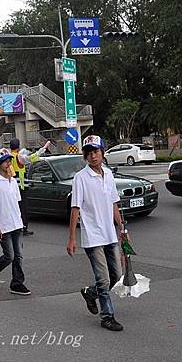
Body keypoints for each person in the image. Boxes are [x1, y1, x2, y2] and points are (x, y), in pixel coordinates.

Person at [67, 135, 128, 331]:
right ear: (85, 156)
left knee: (116, 276)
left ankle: (90, 293)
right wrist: (72, 238)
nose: (93, 156)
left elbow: (113, 204)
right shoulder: (80, 178)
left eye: (96, 152)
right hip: (92, 236)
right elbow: (75, 209)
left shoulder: (108, 175)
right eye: (89, 153)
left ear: (102, 153)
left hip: (109, 233)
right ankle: (107, 316)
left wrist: (122, 229)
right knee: (103, 279)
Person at [0, 148, 31, 296]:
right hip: (4, 226)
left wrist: (21, 221)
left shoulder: (13, 181)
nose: (8, 163)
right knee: (9, 256)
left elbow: (17, 202)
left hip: (16, 224)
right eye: (4, 161)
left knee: (19, 256)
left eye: (9, 160)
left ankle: (17, 283)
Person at [8, 138, 51, 236]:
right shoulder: (19, 157)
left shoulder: (9, 157)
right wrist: (43, 148)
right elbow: (32, 158)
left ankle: (15, 228)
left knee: (14, 208)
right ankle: (23, 228)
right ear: (18, 146)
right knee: (23, 208)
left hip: (11, 186)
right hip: (21, 187)